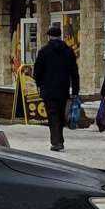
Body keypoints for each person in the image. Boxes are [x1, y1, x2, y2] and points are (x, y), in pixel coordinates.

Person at [33, 21, 80, 153]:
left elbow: (37, 71)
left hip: (48, 90)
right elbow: (74, 72)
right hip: (63, 89)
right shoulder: (68, 51)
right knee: (59, 114)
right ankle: (59, 139)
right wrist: (75, 90)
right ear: (60, 36)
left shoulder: (44, 51)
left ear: (49, 36)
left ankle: (56, 141)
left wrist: (38, 84)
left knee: (52, 115)